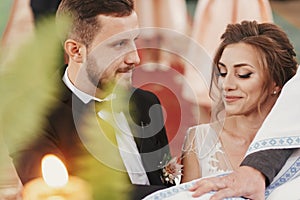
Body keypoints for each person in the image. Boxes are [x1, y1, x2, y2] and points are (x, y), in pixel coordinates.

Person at [6, 0, 173, 199]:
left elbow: (162, 178)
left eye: (133, 40)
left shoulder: (146, 102)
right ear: (76, 50)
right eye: (119, 44)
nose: (135, 58)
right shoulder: (31, 119)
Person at [181, 21, 299, 199]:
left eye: (243, 74)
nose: (226, 85)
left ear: (276, 82)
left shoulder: (294, 140)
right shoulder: (199, 140)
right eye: (222, 72)